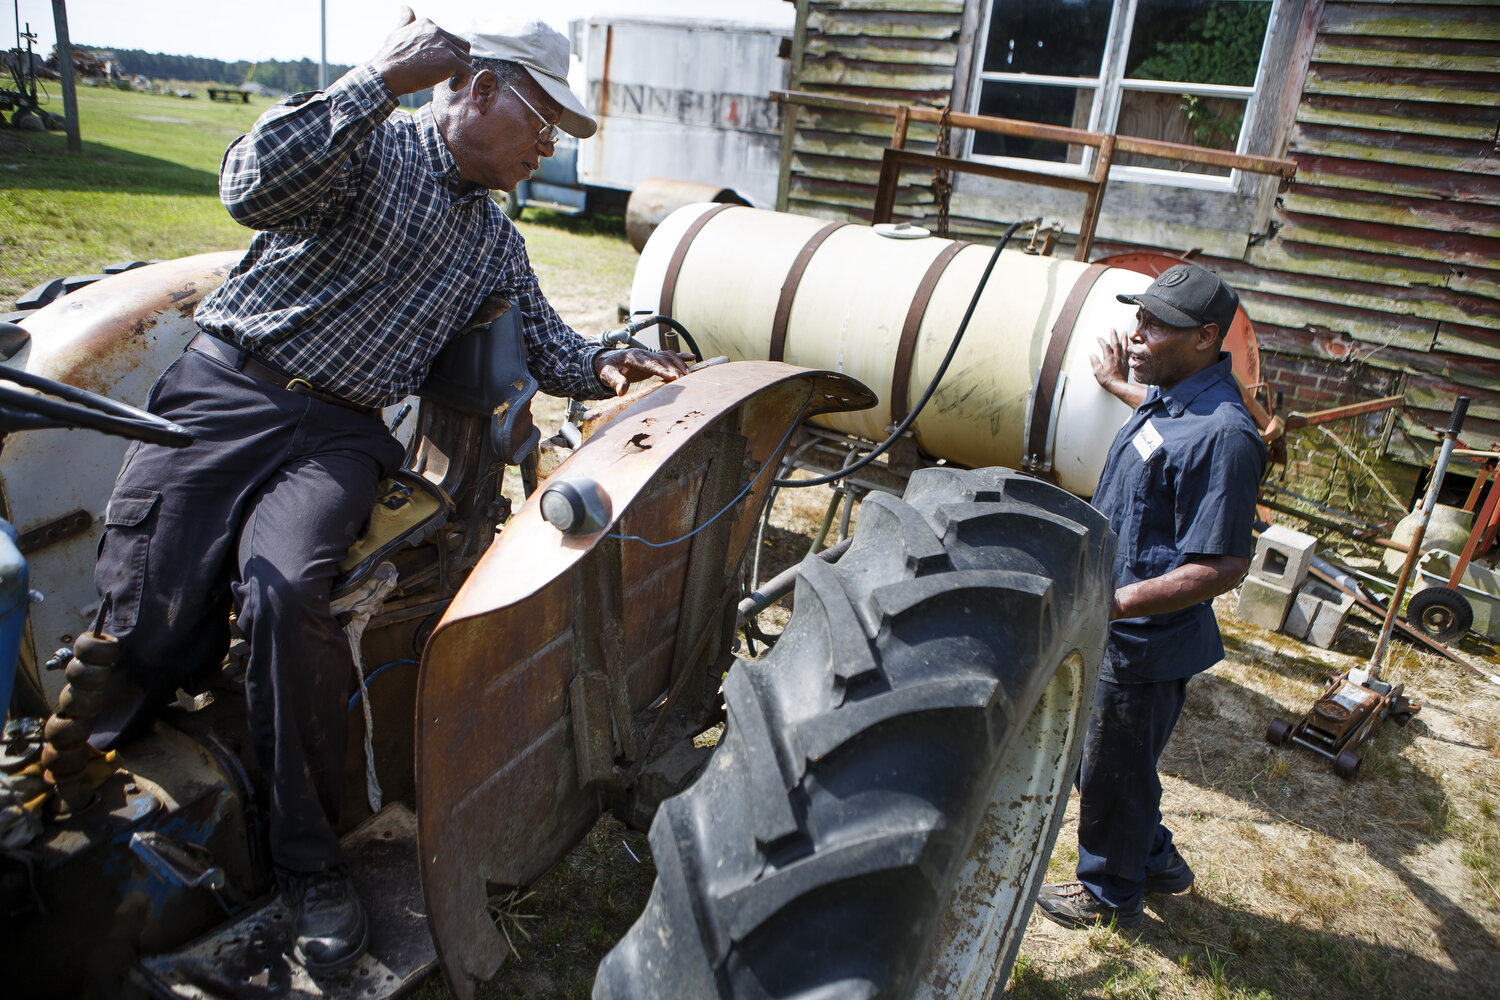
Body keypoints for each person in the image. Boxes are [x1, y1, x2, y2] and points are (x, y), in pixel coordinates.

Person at [87, 10, 689, 975]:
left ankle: (306, 864)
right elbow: (246, 185)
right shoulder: (367, 146)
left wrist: (615, 367)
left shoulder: (494, 244)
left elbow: (553, 348)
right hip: (229, 386)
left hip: (338, 437)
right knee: (146, 631)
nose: (544, 153)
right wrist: (377, 76)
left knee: (289, 597)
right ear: (482, 89)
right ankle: (70, 796)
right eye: (540, 126)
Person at [1036, 263, 1267, 929]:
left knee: (1109, 770)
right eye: (1139, 317)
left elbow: (1223, 566)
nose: (1137, 334)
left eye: (1155, 325)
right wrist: (1115, 384)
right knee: (1109, 764)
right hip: (1118, 628)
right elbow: (1170, 436)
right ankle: (1157, 858)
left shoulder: (1225, 434)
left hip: (1142, 642)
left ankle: (1110, 894)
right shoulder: (1178, 400)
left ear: (1204, 338)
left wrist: (1116, 604)